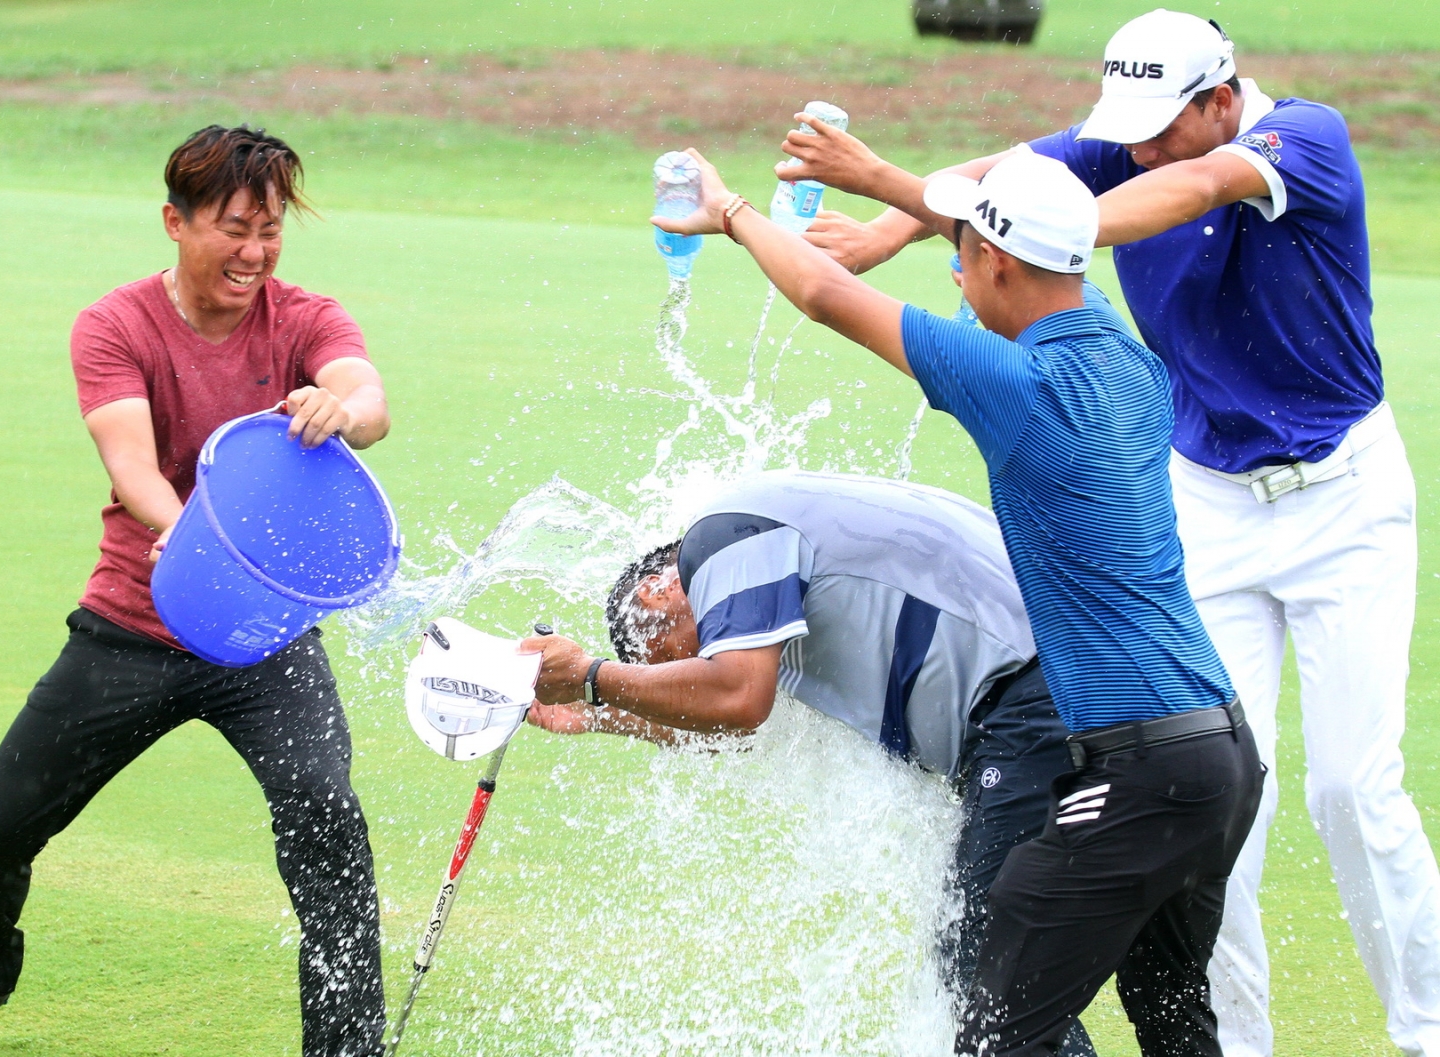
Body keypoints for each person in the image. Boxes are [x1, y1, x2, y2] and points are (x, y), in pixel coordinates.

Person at [779, 10, 1440, 1055]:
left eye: (1158, 127)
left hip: (1341, 495)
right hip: (1209, 496)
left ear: (1220, 101)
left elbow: (1189, 187)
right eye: (1119, 130)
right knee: (1229, 811)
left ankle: (1425, 1030)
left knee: (1352, 789)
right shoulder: (1126, 142)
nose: (1131, 149)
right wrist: (894, 215)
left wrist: (991, 221)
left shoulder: (1300, 138)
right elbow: (1013, 174)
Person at [629, 147, 1265, 1056]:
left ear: (999, 262)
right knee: (1170, 1021)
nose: (954, 270)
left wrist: (730, 210)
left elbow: (822, 296)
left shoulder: (1018, 387)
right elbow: (1036, 252)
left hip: (1139, 769)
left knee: (994, 1027)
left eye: (959, 251)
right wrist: (898, 192)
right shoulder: (1125, 357)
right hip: (1221, 750)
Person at [0, 125, 392, 1056]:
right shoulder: (114, 326)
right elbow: (135, 470)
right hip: (133, 624)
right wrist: (189, 536)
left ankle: (345, 1046)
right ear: (174, 223)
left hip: (265, 634)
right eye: (235, 228)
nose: (256, 252)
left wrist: (340, 408)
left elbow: (367, 396)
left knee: (327, 819)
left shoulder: (304, 316)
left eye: (270, 231)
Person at [528, 469, 1099, 1055]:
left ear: (654, 589)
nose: (693, 668)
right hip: (1108, 681)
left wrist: (593, 679)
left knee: (985, 978)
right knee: (1156, 982)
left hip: (1038, 699)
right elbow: (737, 727)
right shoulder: (776, 599)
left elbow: (734, 699)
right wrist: (597, 715)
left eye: (672, 660)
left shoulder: (723, 539)